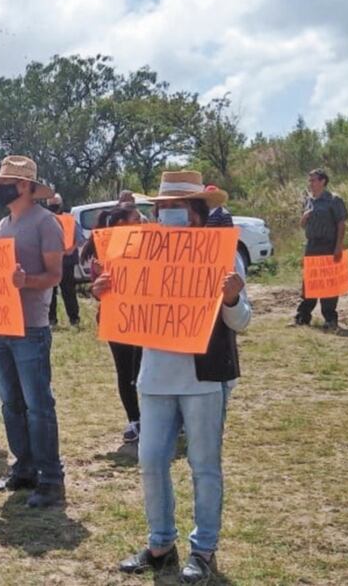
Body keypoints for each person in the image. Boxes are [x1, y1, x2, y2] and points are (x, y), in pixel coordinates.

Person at [94, 170, 251, 583]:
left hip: (204, 379)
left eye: (174, 208)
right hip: (155, 377)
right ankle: (160, 542)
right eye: (161, 208)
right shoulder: (139, 254)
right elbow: (120, 312)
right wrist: (105, 293)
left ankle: (204, 550)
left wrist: (232, 297)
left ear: (197, 211)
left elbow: (243, 321)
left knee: (204, 466)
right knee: (150, 461)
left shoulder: (224, 254)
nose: (166, 215)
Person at [0, 155, 66, 508]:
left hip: (31, 326)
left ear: (27, 186)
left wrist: (25, 281)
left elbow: (55, 275)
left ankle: (51, 478)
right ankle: (24, 467)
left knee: (38, 405)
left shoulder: (46, 223)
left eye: (8, 183)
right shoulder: (2, 225)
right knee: (11, 403)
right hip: (2, 326)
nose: (1, 189)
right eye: (0, 183)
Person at [83, 206, 143, 442]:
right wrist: (99, 281)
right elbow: (99, 293)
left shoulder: (147, 247)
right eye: (136, 219)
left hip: (145, 318)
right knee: (125, 370)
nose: (141, 223)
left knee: (142, 371)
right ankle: (134, 420)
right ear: (120, 225)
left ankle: (154, 418)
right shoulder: (103, 251)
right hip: (116, 319)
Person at [293, 168, 348, 330]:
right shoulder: (308, 200)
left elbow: (341, 223)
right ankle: (303, 317)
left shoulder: (334, 200)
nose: (310, 183)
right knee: (309, 283)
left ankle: (330, 319)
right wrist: (303, 218)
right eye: (309, 180)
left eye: (313, 180)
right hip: (312, 246)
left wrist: (338, 246)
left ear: (322, 181)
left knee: (329, 285)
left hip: (328, 245)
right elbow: (303, 225)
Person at [46, 193, 82, 327]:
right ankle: (51, 320)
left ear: (61, 204)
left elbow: (79, 238)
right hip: (50, 262)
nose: (53, 207)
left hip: (67, 262)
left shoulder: (69, 219)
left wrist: (71, 249)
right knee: (50, 293)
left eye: (55, 204)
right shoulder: (45, 220)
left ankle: (74, 319)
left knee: (69, 291)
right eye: (51, 205)